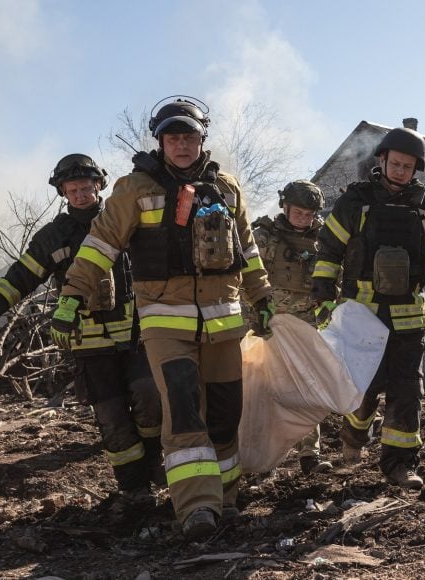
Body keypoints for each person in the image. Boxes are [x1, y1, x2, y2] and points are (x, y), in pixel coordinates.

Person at [55, 97, 274, 541]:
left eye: (189, 136)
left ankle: (227, 498)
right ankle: (196, 507)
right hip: (165, 324)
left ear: (201, 139)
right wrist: (72, 297)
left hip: (224, 323)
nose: (181, 144)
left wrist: (263, 297)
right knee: (183, 409)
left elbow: (248, 251)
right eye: (173, 137)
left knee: (225, 415)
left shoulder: (227, 188)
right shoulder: (135, 188)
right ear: (160, 141)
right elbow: (100, 246)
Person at [0, 154, 164, 500]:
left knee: (150, 399)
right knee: (112, 418)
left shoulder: (124, 218)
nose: (80, 195)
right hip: (90, 344)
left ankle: (156, 464)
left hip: (137, 336)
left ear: (99, 186)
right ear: (62, 192)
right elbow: (21, 276)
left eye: (86, 188)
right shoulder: (54, 236)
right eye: (72, 190)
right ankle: (135, 490)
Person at [311, 127, 425, 490]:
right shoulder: (355, 203)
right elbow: (329, 250)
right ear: (382, 161)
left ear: (416, 169)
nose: (400, 171)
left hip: (409, 319)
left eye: (407, 166)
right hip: (363, 316)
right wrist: (323, 296)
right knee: (364, 389)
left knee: (406, 391)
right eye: (395, 163)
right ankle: (354, 434)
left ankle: (400, 464)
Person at [249, 180, 334, 475]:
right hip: (269, 323)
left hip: (307, 324)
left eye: (310, 214)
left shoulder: (324, 242)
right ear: (285, 207)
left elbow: (336, 276)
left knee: (308, 387)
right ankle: (267, 459)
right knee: (266, 391)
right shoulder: (263, 237)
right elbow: (247, 280)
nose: (304, 219)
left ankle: (310, 453)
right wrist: (254, 319)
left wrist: (328, 305)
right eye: (299, 212)